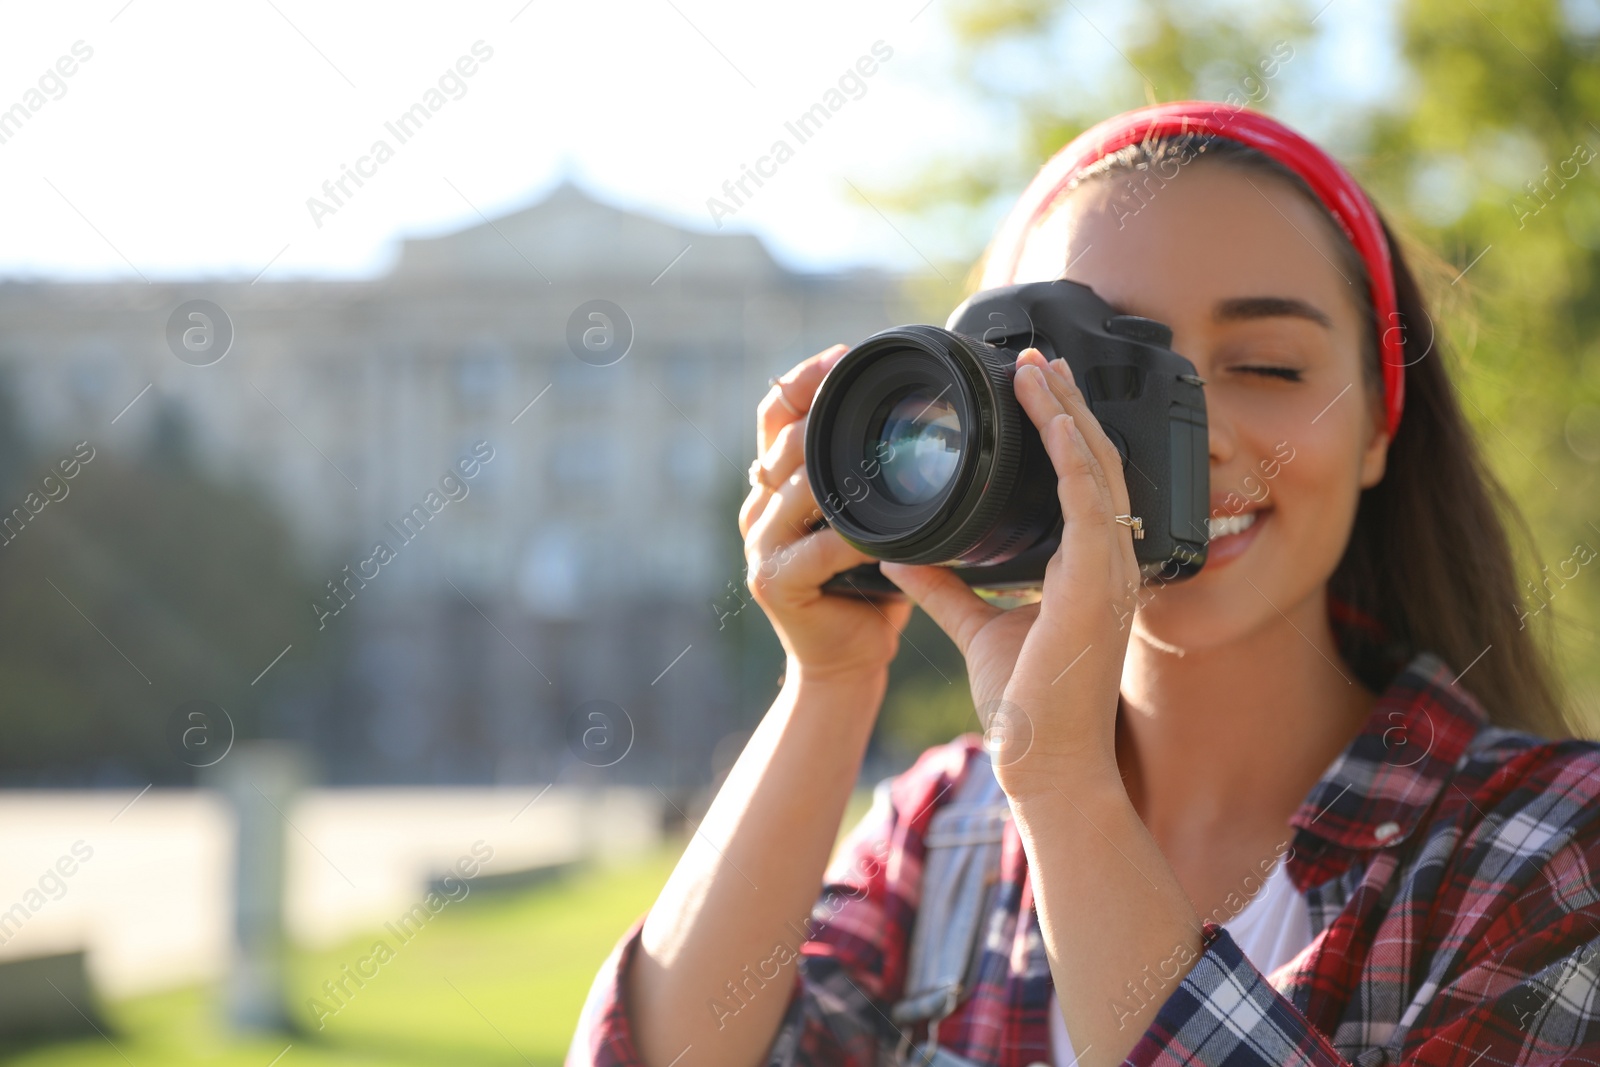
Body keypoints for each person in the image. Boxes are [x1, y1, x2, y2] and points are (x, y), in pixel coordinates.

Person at [567, 102, 1600, 1067]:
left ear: (1380, 421)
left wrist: (1068, 789)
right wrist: (828, 679)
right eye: (1097, 375)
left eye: (1267, 365)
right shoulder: (946, 827)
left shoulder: (1547, 851)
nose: (1193, 439)